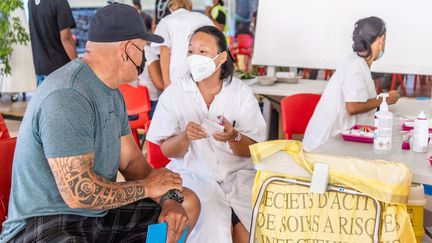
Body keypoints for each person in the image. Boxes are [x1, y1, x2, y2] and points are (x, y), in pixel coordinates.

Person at [0, 4, 200, 243]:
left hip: (95, 215)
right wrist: (149, 188)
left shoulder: (111, 92)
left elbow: (131, 161)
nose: (145, 58)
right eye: (143, 48)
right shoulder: (67, 95)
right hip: (47, 221)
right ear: (127, 49)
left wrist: (168, 198)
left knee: (185, 203)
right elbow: (79, 194)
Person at [147, 25, 266, 243]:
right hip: (193, 174)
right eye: (191, 51)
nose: (194, 57)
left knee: (249, 233)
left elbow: (253, 149)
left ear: (221, 57)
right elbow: (165, 149)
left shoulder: (240, 92)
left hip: (237, 176)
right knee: (211, 229)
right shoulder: (174, 93)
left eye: (202, 52)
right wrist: (184, 137)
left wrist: (234, 137)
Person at [303, 16, 399, 151]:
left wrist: (382, 100)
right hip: (324, 147)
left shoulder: (358, 62)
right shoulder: (355, 66)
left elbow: (361, 99)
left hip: (337, 140)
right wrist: (384, 99)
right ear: (381, 39)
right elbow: (353, 107)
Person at [151, 0, 213, 88]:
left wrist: (166, 82)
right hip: (205, 77)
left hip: (177, 78)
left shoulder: (166, 21)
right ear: (189, 5)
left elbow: (164, 50)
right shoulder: (204, 19)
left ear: (171, 7)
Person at [28, 0, 77, 86]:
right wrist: (77, 65)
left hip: (40, 70)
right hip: (60, 71)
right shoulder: (59, 2)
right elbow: (66, 37)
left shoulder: (31, 1)